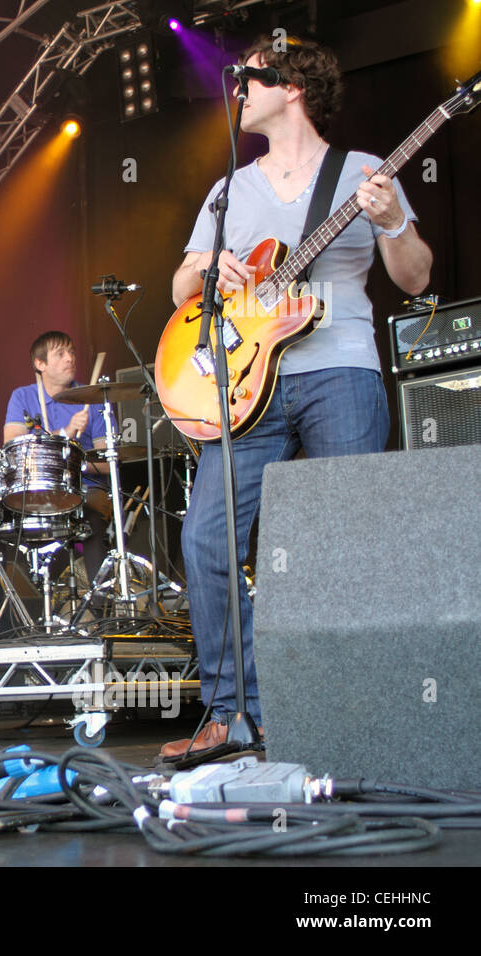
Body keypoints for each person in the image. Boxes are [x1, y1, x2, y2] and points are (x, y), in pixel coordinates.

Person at [163, 37, 431, 758]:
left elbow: (413, 278)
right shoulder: (230, 191)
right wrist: (207, 269)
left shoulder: (364, 172)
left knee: (346, 540)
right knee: (207, 539)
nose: (237, 90)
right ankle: (231, 712)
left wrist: (392, 224)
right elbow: (181, 288)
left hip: (339, 368)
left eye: (248, 78)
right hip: (248, 386)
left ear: (292, 87)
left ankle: (347, 711)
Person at [3, 330, 112, 581]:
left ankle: (101, 606)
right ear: (39, 364)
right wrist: (65, 434)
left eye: (71, 352)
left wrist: (75, 463)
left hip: (86, 488)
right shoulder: (23, 397)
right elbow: (11, 446)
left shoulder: (93, 399)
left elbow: (108, 462)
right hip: (36, 490)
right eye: (60, 354)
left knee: (93, 518)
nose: (70, 358)